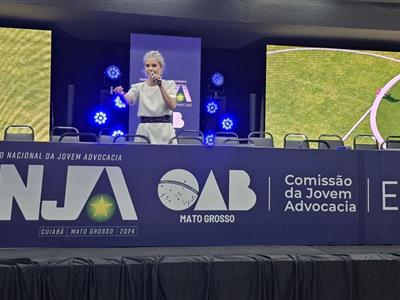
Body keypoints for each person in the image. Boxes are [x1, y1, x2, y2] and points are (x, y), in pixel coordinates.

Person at [114, 50, 177, 144]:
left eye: (154, 65)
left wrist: (160, 86)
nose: (150, 68)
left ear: (161, 68)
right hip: (144, 130)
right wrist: (121, 94)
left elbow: (172, 106)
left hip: (164, 130)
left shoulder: (169, 84)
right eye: (147, 66)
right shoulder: (139, 87)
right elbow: (128, 100)